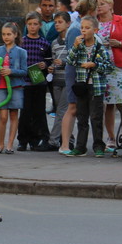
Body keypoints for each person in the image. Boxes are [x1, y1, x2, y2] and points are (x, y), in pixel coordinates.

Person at [66, 16, 113, 157]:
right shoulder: (79, 47)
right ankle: (80, 146)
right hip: (82, 86)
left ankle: (98, 145)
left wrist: (95, 65)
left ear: (95, 30)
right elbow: (69, 60)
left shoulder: (99, 48)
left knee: (96, 117)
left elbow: (109, 67)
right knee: (82, 117)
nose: (84, 31)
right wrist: (74, 46)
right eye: (82, 28)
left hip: (96, 87)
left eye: (87, 28)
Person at [96, 0, 122, 151]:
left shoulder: (121, 20)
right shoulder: (94, 22)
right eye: (97, 4)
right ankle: (111, 137)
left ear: (110, 6)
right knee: (106, 105)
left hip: (118, 67)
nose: (99, 7)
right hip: (100, 69)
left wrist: (119, 43)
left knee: (121, 102)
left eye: (102, 4)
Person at [60, 0, 98, 156]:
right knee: (72, 107)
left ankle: (69, 143)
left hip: (80, 71)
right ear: (90, 10)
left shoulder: (78, 25)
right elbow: (72, 55)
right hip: (76, 72)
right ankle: (64, 144)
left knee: (76, 108)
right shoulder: (77, 28)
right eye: (95, 10)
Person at [0, 23, 27, 154]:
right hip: (0, 86)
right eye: (4, 34)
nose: (6, 37)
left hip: (15, 86)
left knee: (13, 114)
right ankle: (0, 144)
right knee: (3, 116)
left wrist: (11, 71)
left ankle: (10, 144)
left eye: (9, 34)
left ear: (15, 35)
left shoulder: (21, 52)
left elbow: (24, 71)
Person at [17, 12, 52, 152]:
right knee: (25, 113)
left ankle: (36, 139)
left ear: (40, 25)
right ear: (26, 25)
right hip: (25, 83)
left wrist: (44, 65)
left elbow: (48, 62)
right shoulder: (21, 42)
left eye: (35, 24)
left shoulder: (44, 43)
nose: (32, 27)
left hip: (39, 83)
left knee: (38, 112)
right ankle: (22, 140)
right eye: (30, 24)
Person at [47, 11, 72, 153]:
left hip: (67, 80)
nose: (57, 24)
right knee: (59, 111)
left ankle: (53, 139)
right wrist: (51, 67)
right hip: (56, 79)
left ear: (68, 23)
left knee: (62, 110)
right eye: (55, 22)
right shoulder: (54, 43)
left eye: (60, 22)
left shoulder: (71, 40)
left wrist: (63, 62)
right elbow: (53, 59)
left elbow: (74, 59)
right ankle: (67, 138)